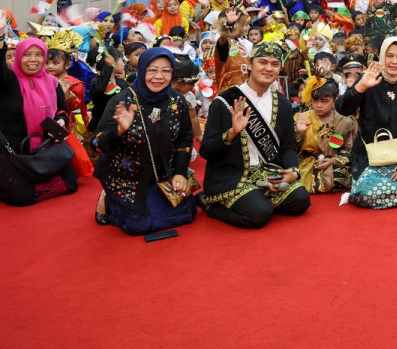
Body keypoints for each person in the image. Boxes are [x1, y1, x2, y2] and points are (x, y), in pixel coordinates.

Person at [200, 41, 310, 228]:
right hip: (232, 175)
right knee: (259, 214)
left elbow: (288, 146)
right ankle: (210, 206)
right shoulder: (225, 101)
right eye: (262, 62)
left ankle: (255, 200)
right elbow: (206, 151)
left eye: (274, 64)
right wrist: (232, 133)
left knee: (301, 199)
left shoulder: (283, 104)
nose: (268, 68)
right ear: (250, 65)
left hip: (267, 170)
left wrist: (293, 171)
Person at [94, 48, 197, 234]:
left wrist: (180, 173)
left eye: (166, 71)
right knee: (140, 225)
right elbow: (98, 144)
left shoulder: (177, 100)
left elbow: (184, 139)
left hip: (164, 174)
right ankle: (107, 197)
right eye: (152, 70)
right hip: (128, 177)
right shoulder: (123, 100)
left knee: (187, 212)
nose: (159, 76)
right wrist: (119, 131)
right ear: (141, 71)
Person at [337, 38, 397, 207]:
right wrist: (360, 87)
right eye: (389, 56)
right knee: (365, 192)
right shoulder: (369, 80)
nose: (394, 61)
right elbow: (342, 108)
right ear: (381, 57)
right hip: (370, 157)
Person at [0, 39, 77, 206]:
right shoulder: (8, 81)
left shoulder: (52, 82)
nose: (33, 59)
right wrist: (0, 39)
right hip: (14, 151)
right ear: (18, 57)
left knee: (70, 183)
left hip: (45, 148)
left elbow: (62, 111)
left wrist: (60, 121)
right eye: (27, 55)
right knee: (20, 196)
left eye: (39, 55)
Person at [294, 80, 357, 194]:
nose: (319, 105)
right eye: (315, 101)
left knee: (339, 178)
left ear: (334, 100)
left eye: (324, 101)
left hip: (332, 162)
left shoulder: (344, 121)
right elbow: (290, 147)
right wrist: (299, 132)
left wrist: (333, 160)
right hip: (305, 162)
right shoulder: (302, 118)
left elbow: (349, 150)